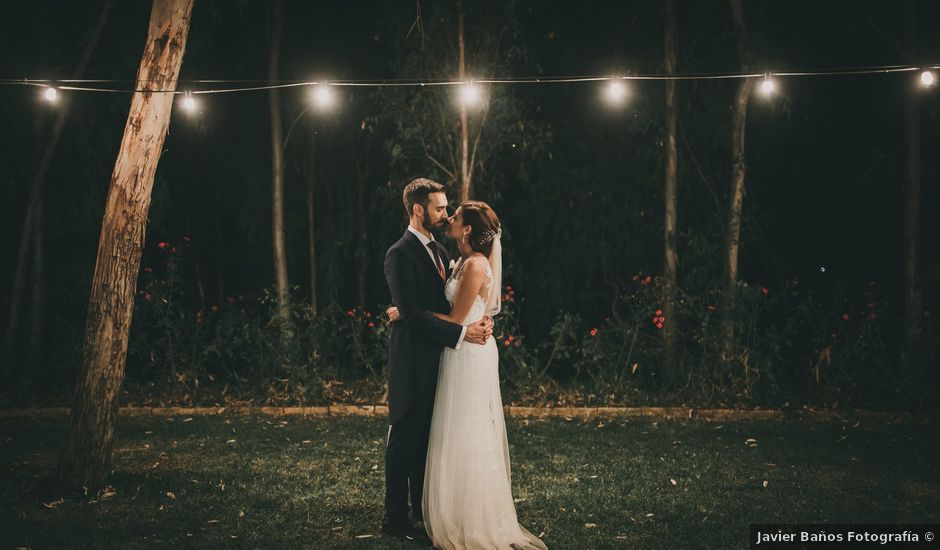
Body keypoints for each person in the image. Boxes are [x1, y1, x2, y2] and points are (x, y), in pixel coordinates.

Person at [389, 200, 547, 550]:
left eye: (455, 216)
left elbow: (458, 318)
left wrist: (407, 312)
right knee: (452, 428)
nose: (449, 218)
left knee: (467, 430)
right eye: (446, 211)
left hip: (468, 353)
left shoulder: (474, 264)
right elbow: (461, 309)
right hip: (460, 348)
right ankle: (446, 506)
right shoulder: (455, 258)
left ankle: (469, 514)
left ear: (469, 229)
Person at [382, 178, 494, 545]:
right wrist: (462, 333)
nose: (445, 214)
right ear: (418, 210)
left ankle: (424, 511)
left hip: (444, 362)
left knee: (428, 443)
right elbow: (416, 314)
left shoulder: (445, 255)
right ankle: (395, 518)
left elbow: (447, 306)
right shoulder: (399, 253)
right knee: (404, 438)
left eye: (447, 208)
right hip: (413, 361)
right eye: (439, 207)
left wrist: (482, 319)